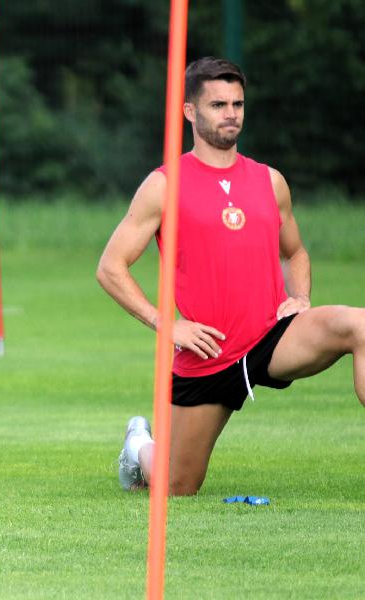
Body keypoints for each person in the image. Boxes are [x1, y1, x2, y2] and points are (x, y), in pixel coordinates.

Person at [96, 56, 365, 496]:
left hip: (274, 335)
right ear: (190, 111)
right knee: (177, 486)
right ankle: (139, 445)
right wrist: (165, 323)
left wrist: (300, 296)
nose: (231, 114)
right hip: (210, 351)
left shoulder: (270, 181)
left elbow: (295, 252)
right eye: (218, 105)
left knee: (360, 325)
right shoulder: (164, 185)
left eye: (237, 104)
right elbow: (110, 267)